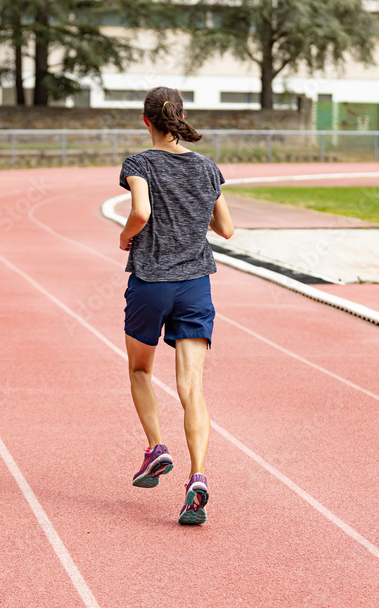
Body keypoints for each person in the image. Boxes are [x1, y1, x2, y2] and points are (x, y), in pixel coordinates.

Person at [119, 86, 234, 525]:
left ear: (145, 121)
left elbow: (142, 212)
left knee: (140, 370)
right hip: (195, 286)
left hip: (151, 282)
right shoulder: (207, 167)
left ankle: (155, 449)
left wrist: (125, 236)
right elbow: (226, 228)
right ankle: (198, 477)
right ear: (180, 119)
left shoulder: (139, 163)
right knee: (192, 389)